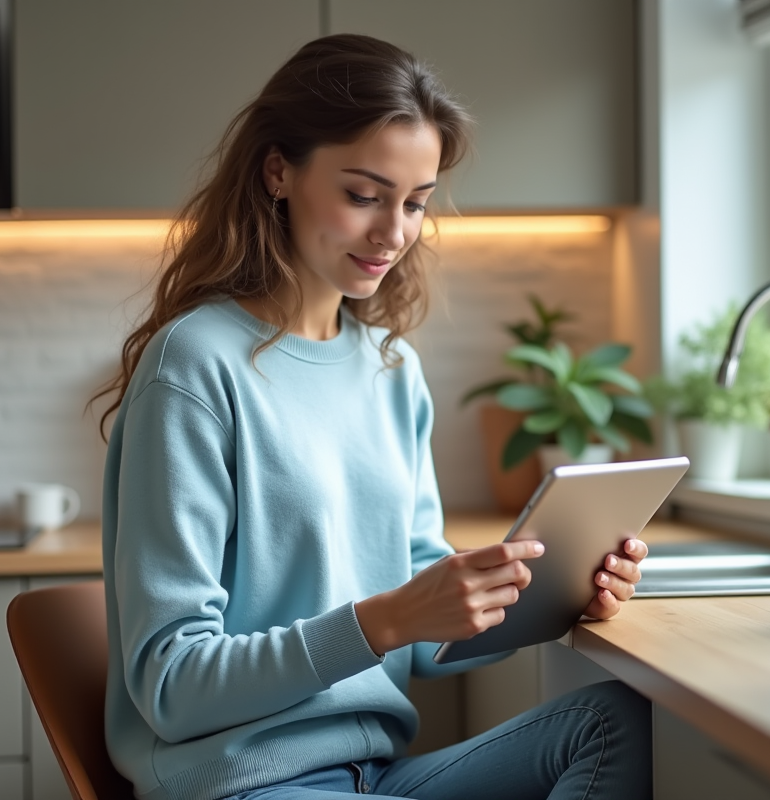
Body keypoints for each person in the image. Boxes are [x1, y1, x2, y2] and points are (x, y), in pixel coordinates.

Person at [92, 34, 653, 800]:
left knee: (618, 719)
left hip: (374, 777)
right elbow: (174, 684)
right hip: (244, 784)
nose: (394, 232)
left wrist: (544, 594)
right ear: (278, 171)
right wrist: (382, 622)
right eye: (364, 194)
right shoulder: (194, 365)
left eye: (415, 202)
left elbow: (425, 638)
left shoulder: (391, 369)